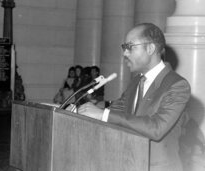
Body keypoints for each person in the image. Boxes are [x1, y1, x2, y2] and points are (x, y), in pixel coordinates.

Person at [77, 23, 191, 171]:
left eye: (130, 47)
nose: (125, 54)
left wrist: (103, 114)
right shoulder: (136, 81)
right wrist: (77, 111)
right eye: (124, 48)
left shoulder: (177, 85)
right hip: (131, 162)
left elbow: (157, 128)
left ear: (150, 48)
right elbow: (116, 110)